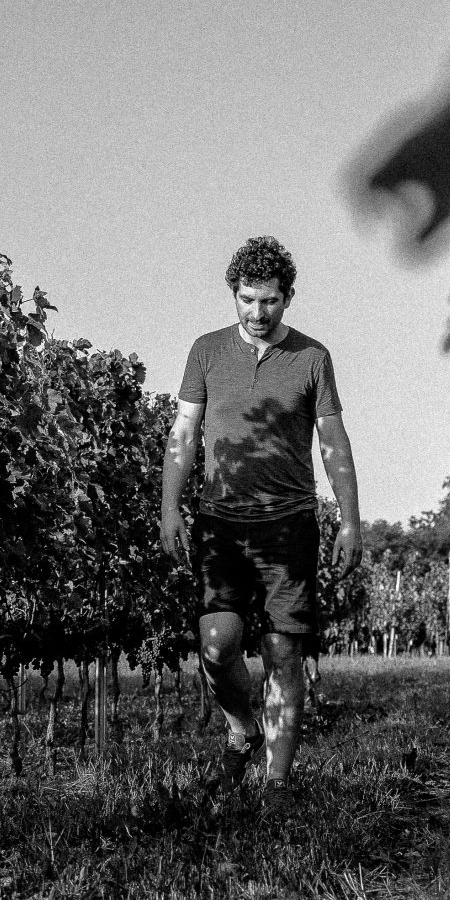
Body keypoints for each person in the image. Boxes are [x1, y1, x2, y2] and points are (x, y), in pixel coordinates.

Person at [159, 235, 358, 787]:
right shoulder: (206, 351)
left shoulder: (313, 358)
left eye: (269, 300)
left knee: (281, 651)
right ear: (234, 294)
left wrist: (350, 520)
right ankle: (242, 726)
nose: (257, 311)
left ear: (288, 297)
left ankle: (276, 788)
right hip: (220, 521)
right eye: (247, 299)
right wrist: (170, 507)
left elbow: (334, 442)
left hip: (289, 523)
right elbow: (184, 433)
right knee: (217, 643)